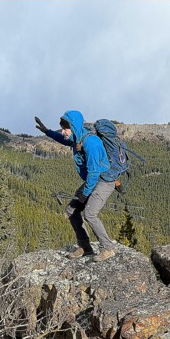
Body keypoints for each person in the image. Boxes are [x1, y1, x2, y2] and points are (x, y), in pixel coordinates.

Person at [35, 110, 116, 262]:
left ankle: (108, 248)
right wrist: (47, 131)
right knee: (71, 210)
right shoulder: (77, 138)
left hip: (104, 181)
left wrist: (85, 193)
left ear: (74, 126)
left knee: (90, 214)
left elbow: (94, 172)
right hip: (93, 180)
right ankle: (85, 248)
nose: (63, 131)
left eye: (65, 128)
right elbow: (63, 139)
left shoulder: (91, 143)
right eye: (62, 128)